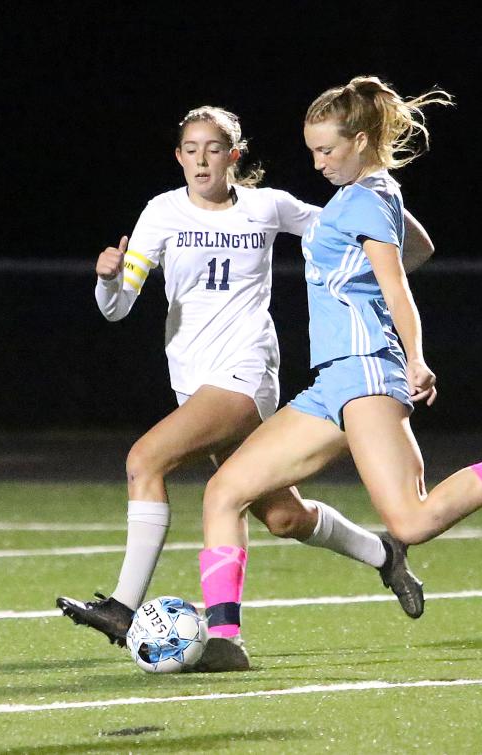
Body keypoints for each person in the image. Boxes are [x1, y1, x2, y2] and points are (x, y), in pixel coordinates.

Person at [198, 76, 482, 671]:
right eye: (313, 151)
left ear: (363, 140)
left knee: (412, 520)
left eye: (327, 150)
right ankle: (224, 641)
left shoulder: (368, 200)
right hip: (332, 382)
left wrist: (415, 356)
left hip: (369, 373)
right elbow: (417, 247)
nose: (317, 163)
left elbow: (399, 285)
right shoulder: (372, 197)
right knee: (225, 490)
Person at [56, 106, 437, 664]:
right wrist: (107, 281)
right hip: (193, 382)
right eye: (190, 149)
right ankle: (384, 554)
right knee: (283, 517)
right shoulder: (161, 213)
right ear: (179, 157)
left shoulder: (268, 205)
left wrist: (398, 229)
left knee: (145, 460)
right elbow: (117, 308)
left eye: (213, 148)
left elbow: (369, 226)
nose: (200, 159)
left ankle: (122, 605)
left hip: (244, 376)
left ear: (234, 156)